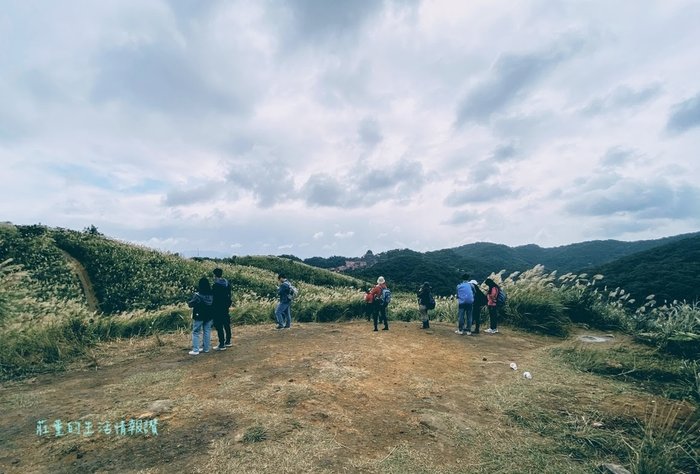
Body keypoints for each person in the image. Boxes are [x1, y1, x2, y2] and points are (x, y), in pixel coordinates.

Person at [187, 277, 214, 355]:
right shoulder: (211, 295)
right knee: (207, 331)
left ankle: (196, 350)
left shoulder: (198, 295)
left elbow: (190, 304)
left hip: (199, 315)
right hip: (209, 315)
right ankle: (206, 349)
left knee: (196, 332)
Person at [211, 267, 233, 350]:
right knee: (226, 324)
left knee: (219, 325)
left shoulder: (216, 285)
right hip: (225, 306)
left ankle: (221, 344)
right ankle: (228, 342)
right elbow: (229, 295)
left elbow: (214, 297)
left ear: (215, 275)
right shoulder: (227, 283)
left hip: (217, 307)